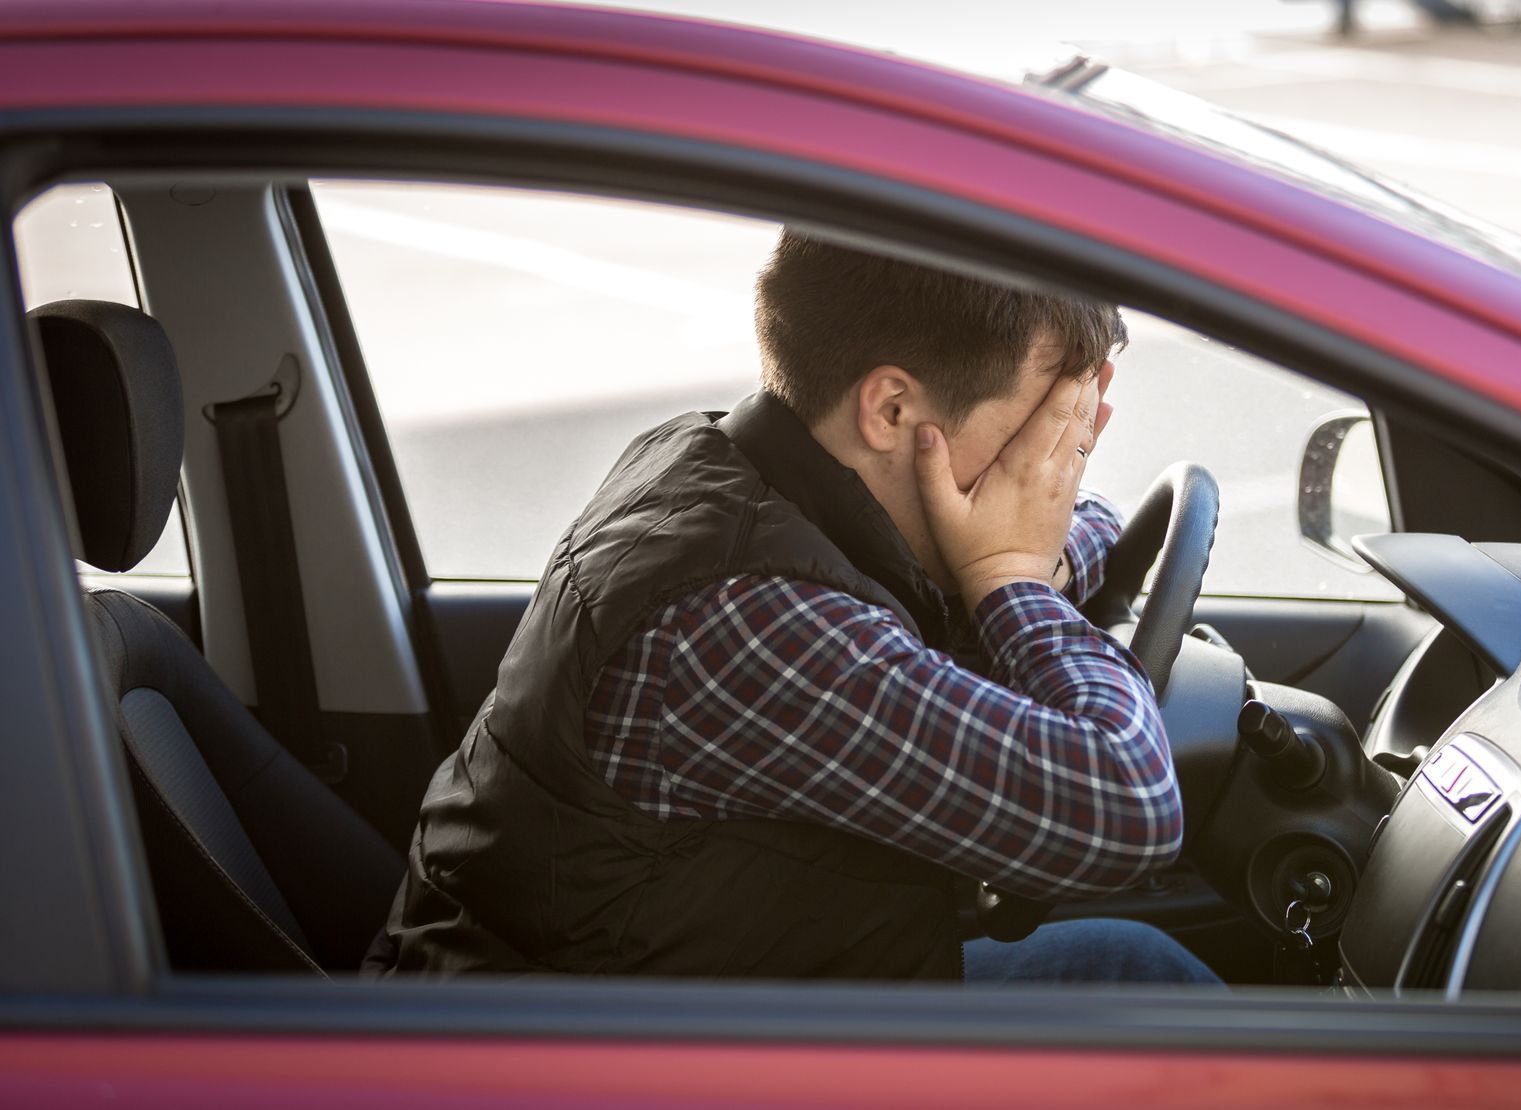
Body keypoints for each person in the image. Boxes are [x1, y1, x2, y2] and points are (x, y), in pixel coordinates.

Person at [366, 230, 1218, 986]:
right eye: (1039, 425)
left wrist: (1031, 553)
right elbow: (1127, 811)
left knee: (1132, 970)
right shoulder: (744, 617)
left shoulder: (723, 458)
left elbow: (1070, 515)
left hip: (720, 996)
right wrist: (1014, 581)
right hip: (594, 1071)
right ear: (891, 408)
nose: (1049, 463)